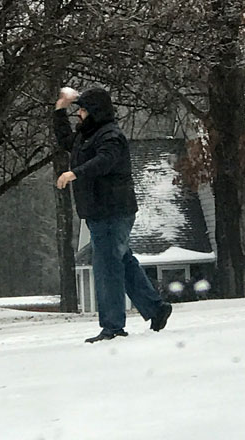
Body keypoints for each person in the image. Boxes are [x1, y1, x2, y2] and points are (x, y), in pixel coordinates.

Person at [53, 86, 172, 343]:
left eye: (82, 110)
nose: (79, 115)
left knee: (107, 267)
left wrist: (75, 173)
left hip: (113, 211)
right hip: (98, 211)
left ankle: (113, 327)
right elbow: (66, 142)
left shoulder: (110, 136)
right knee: (121, 261)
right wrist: (59, 111)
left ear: (95, 112)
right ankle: (155, 308)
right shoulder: (87, 136)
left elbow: (105, 161)